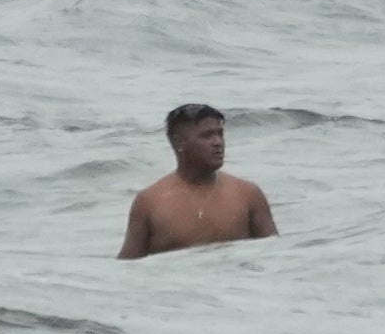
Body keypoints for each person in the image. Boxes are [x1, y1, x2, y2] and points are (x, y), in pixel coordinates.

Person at [118, 103, 276, 258]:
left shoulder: (248, 194)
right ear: (179, 142)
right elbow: (127, 267)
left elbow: (274, 255)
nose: (218, 142)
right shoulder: (149, 202)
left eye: (220, 134)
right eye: (207, 136)